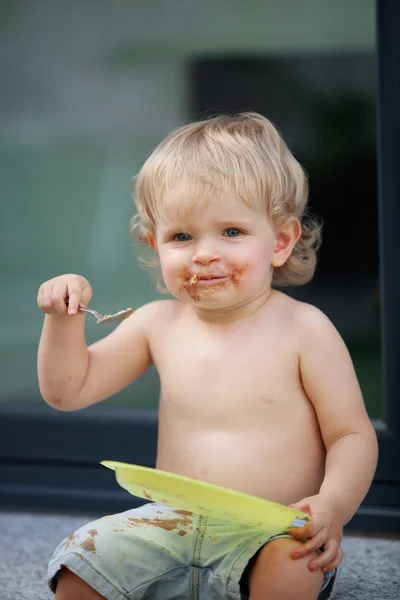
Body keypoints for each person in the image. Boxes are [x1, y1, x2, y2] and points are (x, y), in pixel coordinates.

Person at [37, 112, 378, 600]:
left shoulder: (304, 329)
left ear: (280, 241)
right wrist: (63, 319)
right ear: (156, 245)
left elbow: (350, 434)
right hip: (169, 521)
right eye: (182, 237)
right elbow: (67, 391)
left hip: (272, 527)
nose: (204, 254)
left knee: (291, 567)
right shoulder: (157, 323)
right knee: (79, 567)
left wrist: (333, 505)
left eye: (232, 232)